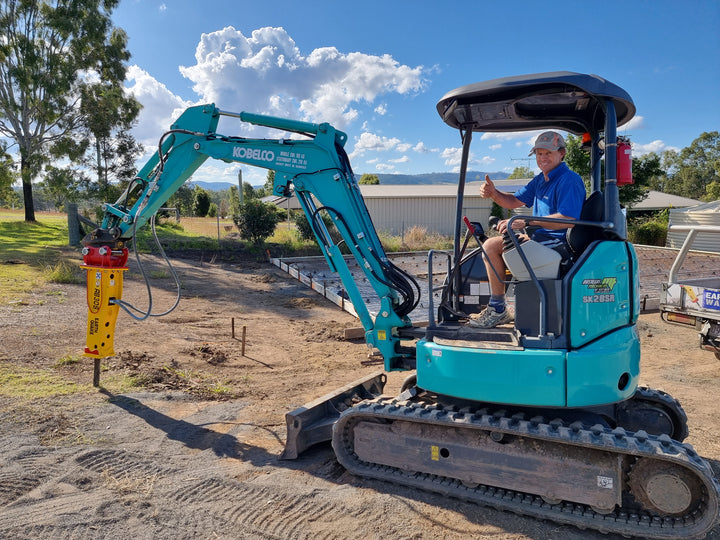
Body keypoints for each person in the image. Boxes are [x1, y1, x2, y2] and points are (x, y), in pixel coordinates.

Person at [469, 131, 586, 328]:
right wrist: (493, 193)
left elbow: (568, 219)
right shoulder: (541, 180)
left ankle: (497, 309)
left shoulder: (569, 180)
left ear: (562, 153)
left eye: (548, 153)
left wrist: (526, 222)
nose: (543, 158)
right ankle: (501, 306)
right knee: (496, 243)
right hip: (542, 240)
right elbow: (514, 200)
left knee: (491, 246)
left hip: (558, 244)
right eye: (539, 154)